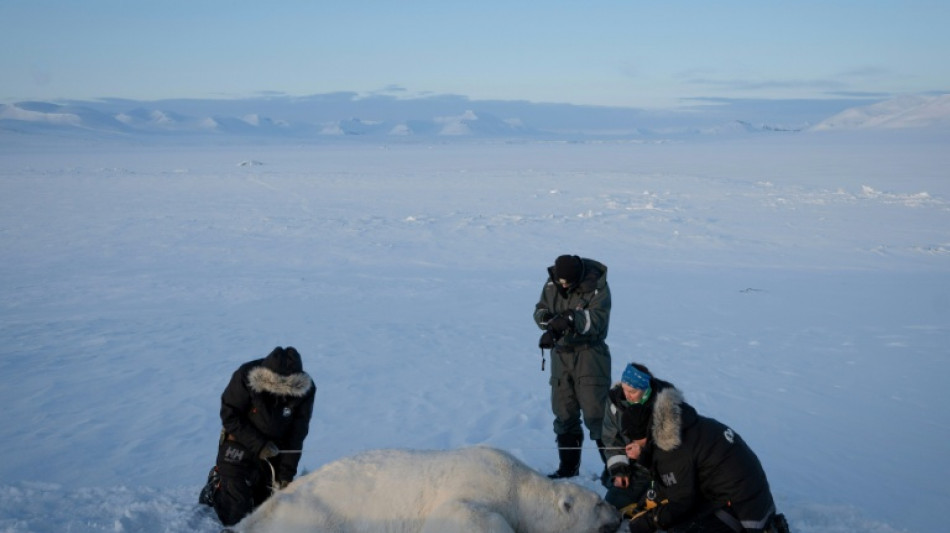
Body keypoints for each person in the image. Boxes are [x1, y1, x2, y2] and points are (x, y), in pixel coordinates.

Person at [620, 367, 788, 533]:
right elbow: (673, 482)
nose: (634, 443)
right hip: (751, 495)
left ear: (642, 434)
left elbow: (681, 502)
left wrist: (648, 521)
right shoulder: (677, 426)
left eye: (634, 439)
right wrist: (645, 504)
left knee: (679, 528)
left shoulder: (670, 448)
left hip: (741, 507)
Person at [199, 346, 316, 527]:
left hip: (273, 452)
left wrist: (286, 475)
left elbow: (296, 435)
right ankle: (215, 488)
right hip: (238, 444)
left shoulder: (305, 391)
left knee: (265, 513)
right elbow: (230, 416)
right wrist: (259, 445)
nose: (281, 395)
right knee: (237, 517)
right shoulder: (245, 376)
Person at [533, 254, 612, 479]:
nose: (564, 285)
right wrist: (549, 323)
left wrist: (569, 319)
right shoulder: (552, 283)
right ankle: (568, 470)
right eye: (561, 282)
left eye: (568, 282)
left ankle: (615, 471)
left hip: (590, 355)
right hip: (561, 356)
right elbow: (539, 310)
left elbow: (598, 320)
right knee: (564, 413)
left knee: (597, 415)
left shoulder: (597, 285)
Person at [601, 363, 671, 513]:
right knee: (612, 503)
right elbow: (611, 438)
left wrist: (643, 453)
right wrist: (619, 471)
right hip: (631, 464)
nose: (627, 395)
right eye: (624, 389)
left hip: (658, 467)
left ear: (646, 390)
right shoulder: (615, 401)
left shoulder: (666, 404)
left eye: (632, 391)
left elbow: (672, 449)